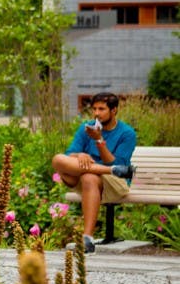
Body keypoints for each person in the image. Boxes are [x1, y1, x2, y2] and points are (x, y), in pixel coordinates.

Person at [52, 92, 136, 253]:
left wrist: (99, 141)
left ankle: (87, 239)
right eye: (94, 109)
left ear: (114, 110)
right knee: (57, 159)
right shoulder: (87, 128)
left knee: (89, 177)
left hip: (116, 183)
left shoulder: (127, 133)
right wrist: (80, 155)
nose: (96, 113)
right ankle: (112, 171)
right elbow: (70, 154)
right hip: (93, 177)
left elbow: (116, 162)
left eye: (101, 109)